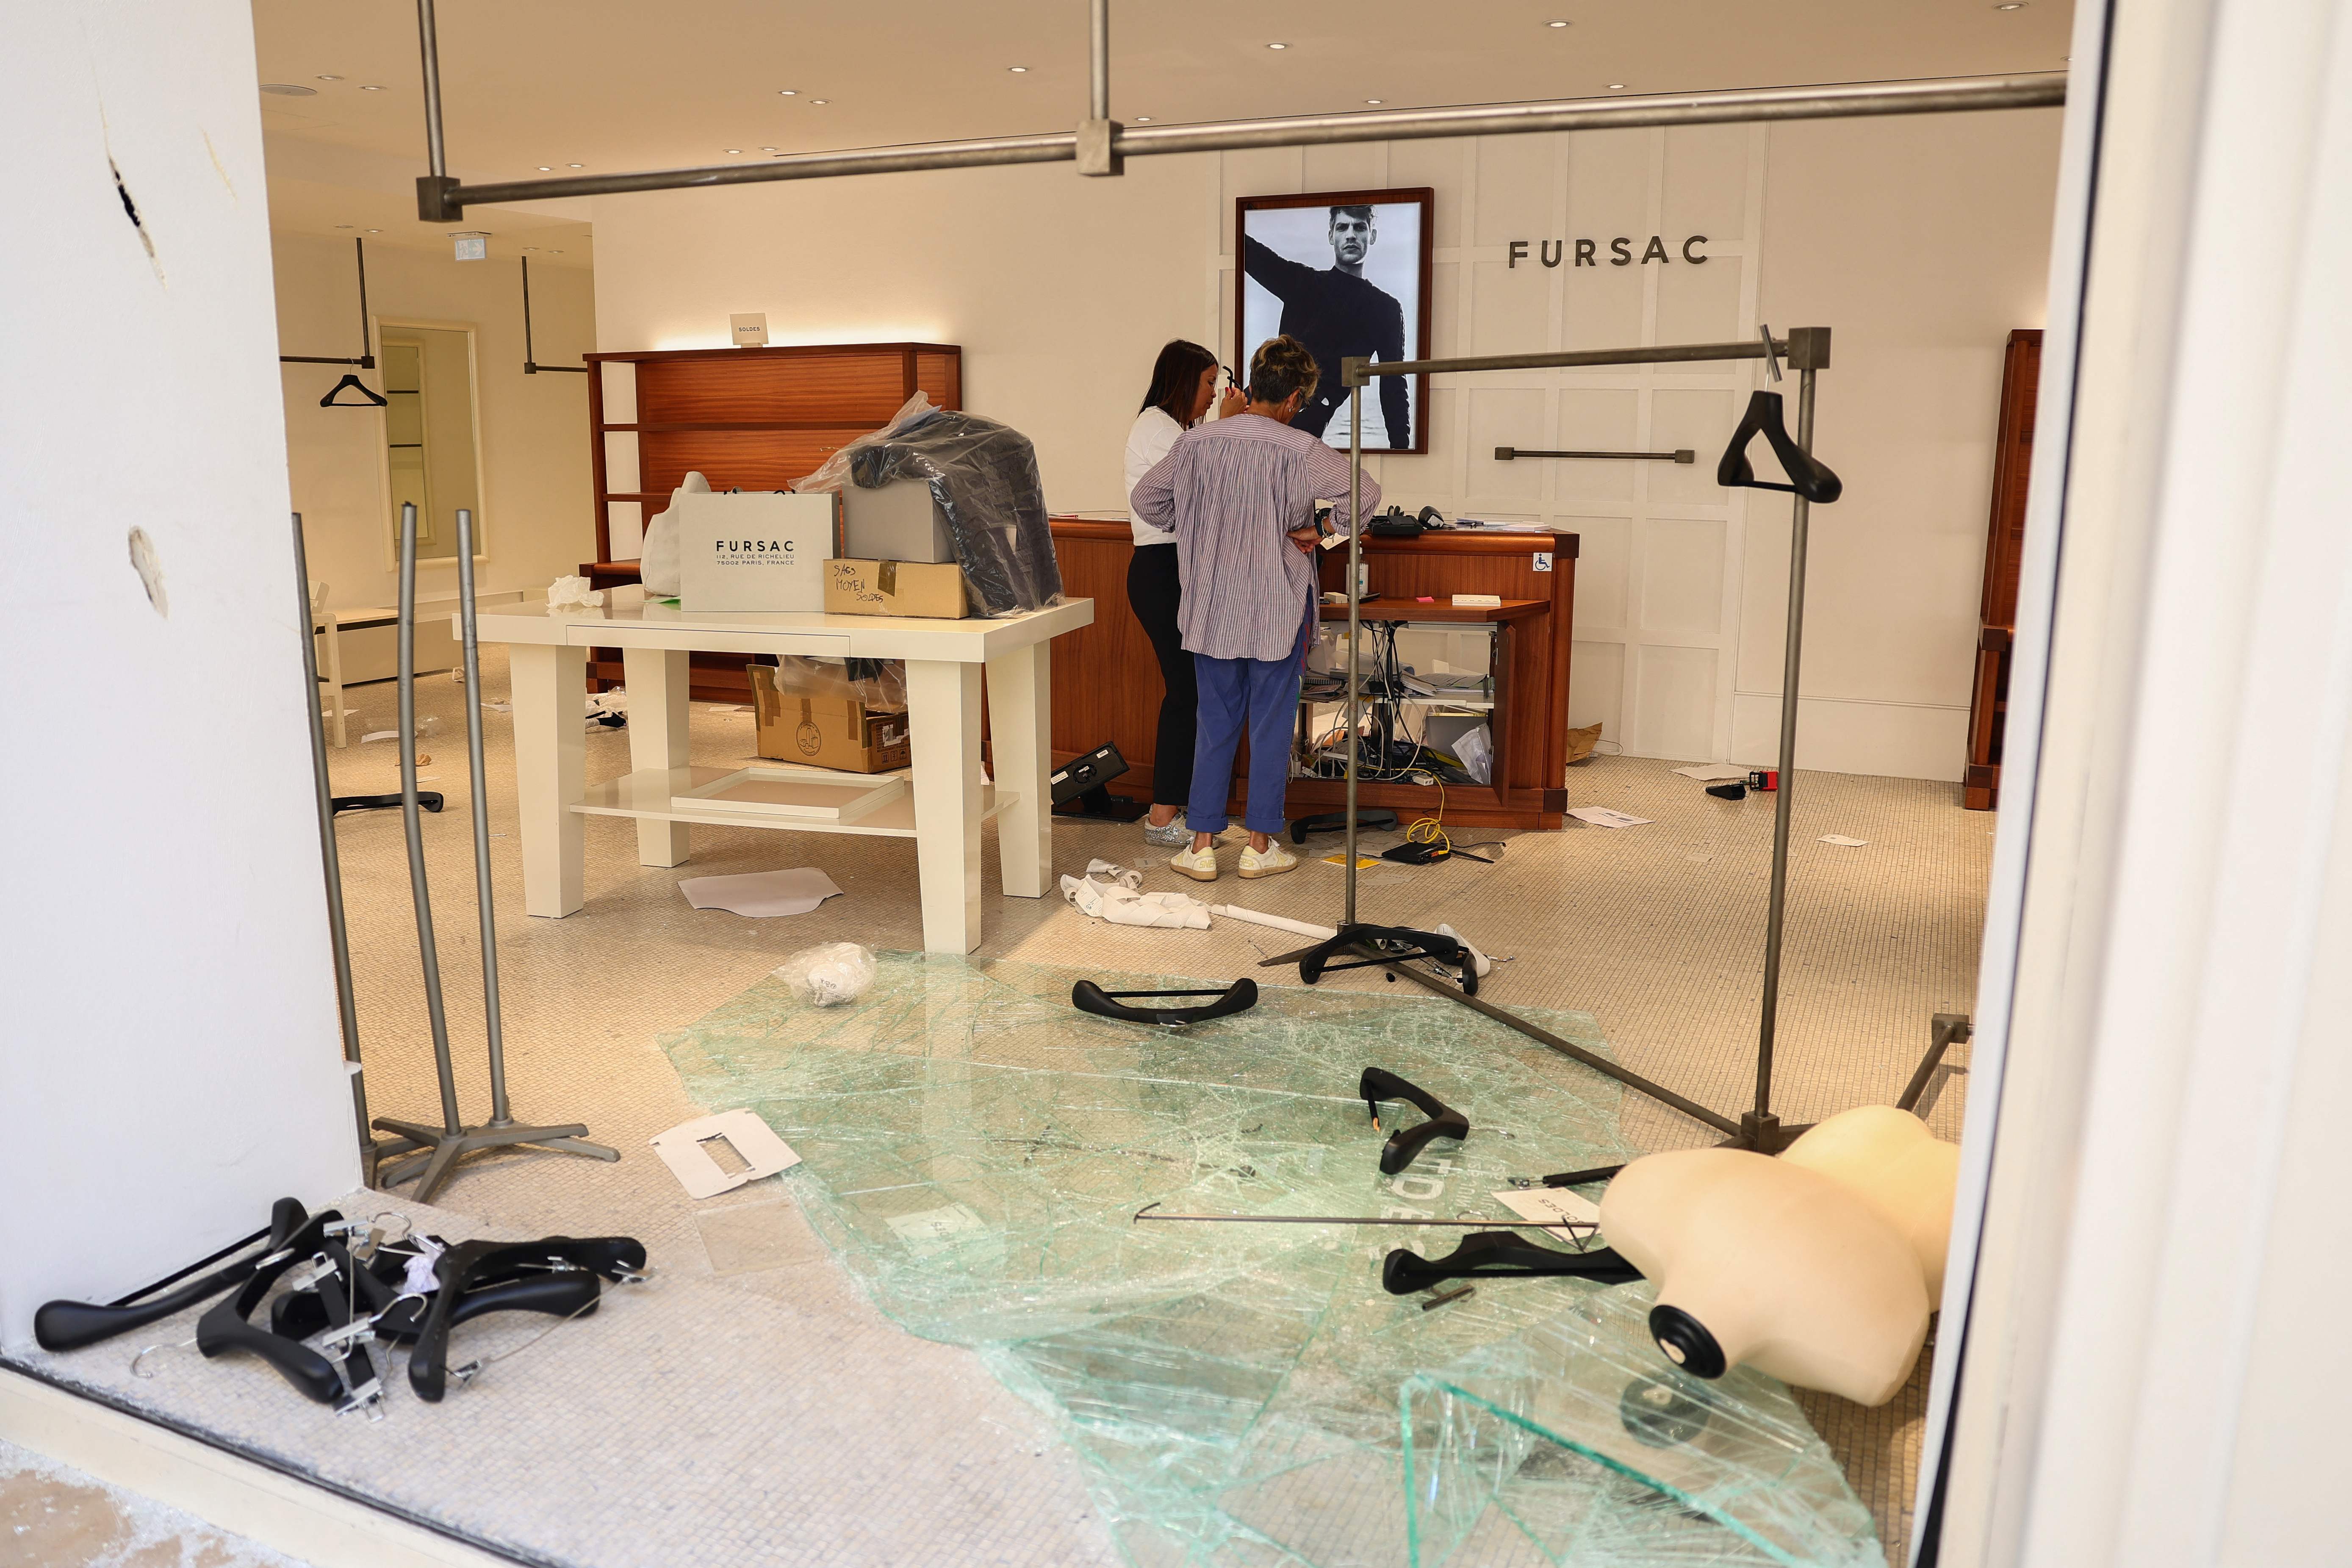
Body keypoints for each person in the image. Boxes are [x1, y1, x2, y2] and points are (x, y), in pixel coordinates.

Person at [1130, 335, 1381, 881]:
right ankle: (1260, 846)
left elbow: (1146, 500)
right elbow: (1364, 494)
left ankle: (1200, 846)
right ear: (1293, 399)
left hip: (1211, 607)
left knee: (1213, 723)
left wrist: (1193, 523)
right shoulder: (1299, 448)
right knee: (1270, 728)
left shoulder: (1197, 444)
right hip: (1275, 606)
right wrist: (1320, 529)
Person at [1126, 341, 1247, 848]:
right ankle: (1162, 816)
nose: (1213, 393)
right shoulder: (1157, 426)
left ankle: (1175, 810)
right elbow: (1194, 481)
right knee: (1187, 692)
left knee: (1194, 692)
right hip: (1162, 571)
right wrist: (1227, 424)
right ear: (1181, 381)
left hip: (1181, 570)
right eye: (1206, 383)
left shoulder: (1180, 431)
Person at [1242, 204, 1413, 449]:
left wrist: (1402, 451)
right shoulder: (1303, 283)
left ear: (1371, 236)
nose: (1351, 235)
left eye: (1360, 227)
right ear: (1332, 235)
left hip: (1302, 430)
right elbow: (1252, 253)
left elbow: (1394, 387)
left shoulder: (1385, 309)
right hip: (1254, 413)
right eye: (1343, 227)